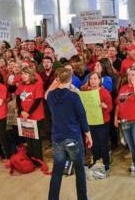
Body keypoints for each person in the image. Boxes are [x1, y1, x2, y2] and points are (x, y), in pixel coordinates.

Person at [47, 68, 92, 200]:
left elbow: (49, 94)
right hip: (73, 137)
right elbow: (82, 116)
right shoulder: (74, 96)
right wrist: (88, 134)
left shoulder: (50, 95)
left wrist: (55, 84)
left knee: (57, 171)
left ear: (57, 79)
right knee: (79, 170)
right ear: (71, 79)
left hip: (57, 137)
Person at [81, 72, 112, 172]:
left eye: (95, 79)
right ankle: (95, 161)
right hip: (91, 121)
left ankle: (105, 163)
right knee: (93, 143)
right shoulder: (87, 92)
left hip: (103, 122)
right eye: (91, 79)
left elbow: (110, 107)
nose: (93, 81)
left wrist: (104, 106)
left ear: (99, 80)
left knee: (103, 143)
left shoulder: (104, 92)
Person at [15, 66, 45, 161]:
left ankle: (38, 160)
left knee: (36, 139)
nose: (23, 76)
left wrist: (28, 113)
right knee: (28, 138)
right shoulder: (21, 85)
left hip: (35, 115)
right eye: (22, 74)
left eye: (26, 74)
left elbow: (38, 100)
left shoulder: (37, 84)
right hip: (24, 116)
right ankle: (31, 158)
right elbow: (19, 99)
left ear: (31, 75)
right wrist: (21, 111)